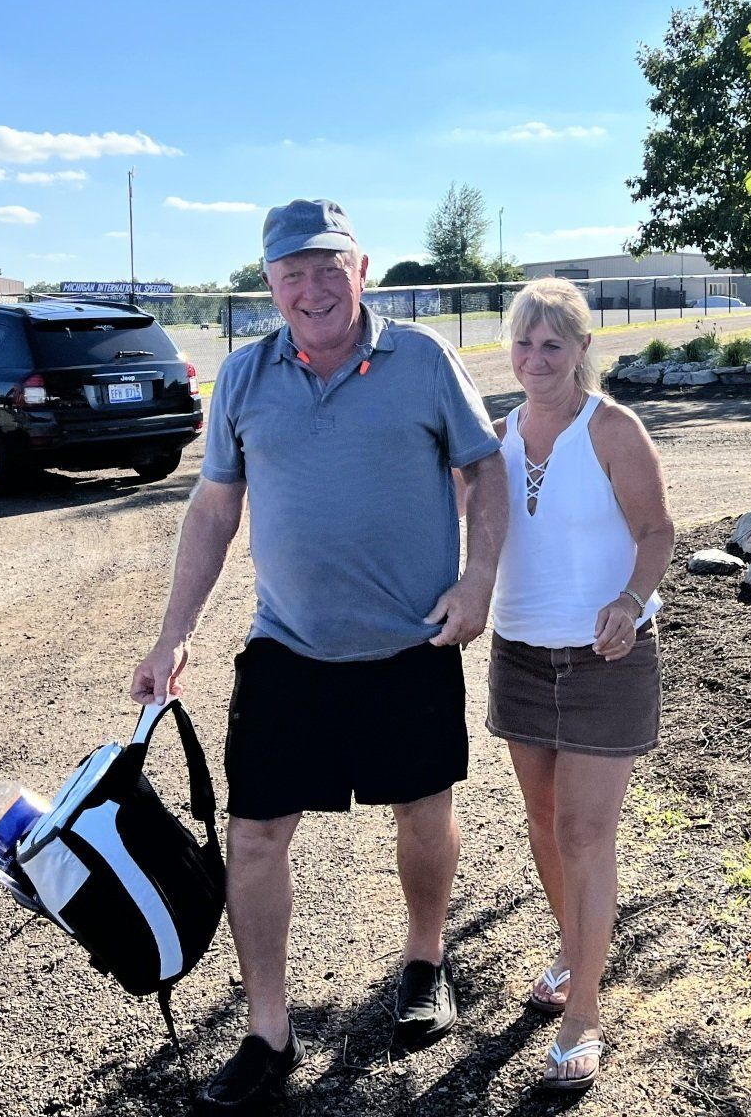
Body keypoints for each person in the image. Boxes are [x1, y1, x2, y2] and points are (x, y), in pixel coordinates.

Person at [130, 198, 507, 1114]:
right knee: (255, 834)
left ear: (362, 269)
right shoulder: (243, 379)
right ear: (270, 285)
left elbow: (486, 472)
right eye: (290, 273)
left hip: (410, 643)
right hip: (287, 648)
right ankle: (268, 1032)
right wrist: (173, 630)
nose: (311, 288)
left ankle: (424, 964)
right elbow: (215, 509)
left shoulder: (421, 361)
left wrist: (479, 579)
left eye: (326, 267)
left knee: (423, 812)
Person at [484, 278, 675, 1094]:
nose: (535, 358)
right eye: (524, 344)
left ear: (582, 350)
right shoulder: (495, 437)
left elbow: (656, 530)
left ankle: (584, 1011)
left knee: (587, 834)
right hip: (521, 655)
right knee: (543, 820)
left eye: (552, 344)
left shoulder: (613, 429)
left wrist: (631, 602)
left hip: (607, 658)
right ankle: (572, 949)